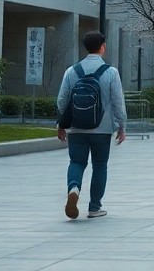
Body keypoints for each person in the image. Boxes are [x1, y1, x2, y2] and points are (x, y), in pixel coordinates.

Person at [56, 31, 128, 220]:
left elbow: (62, 100)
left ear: (85, 47)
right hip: (102, 129)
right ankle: (95, 207)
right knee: (100, 166)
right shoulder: (111, 72)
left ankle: (73, 188)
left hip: (76, 127)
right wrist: (122, 125)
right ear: (103, 47)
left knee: (76, 162)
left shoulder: (72, 71)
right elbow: (118, 102)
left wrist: (61, 124)